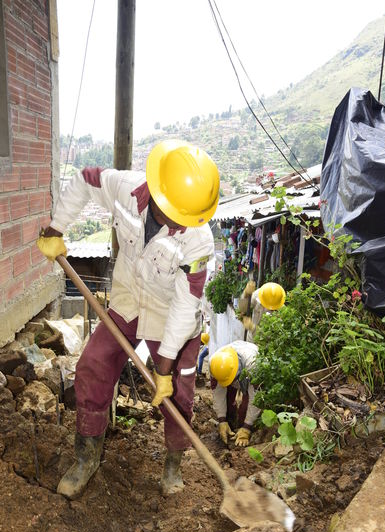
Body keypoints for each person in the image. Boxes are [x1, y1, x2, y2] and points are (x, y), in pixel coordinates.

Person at [37, 139, 220, 499]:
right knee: (93, 365)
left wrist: (164, 368)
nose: (180, 223)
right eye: (174, 214)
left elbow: (185, 308)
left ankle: (172, 464)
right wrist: (57, 230)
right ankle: (87, 457)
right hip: (128, 298)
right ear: (155, 190)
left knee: (179, 395)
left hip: (172, 317)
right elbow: (84, 180)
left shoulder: (198, 241)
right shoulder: (125, 188)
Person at [209, 340, 260, 447]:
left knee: (245, 410)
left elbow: (256, 398)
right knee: (227, 405)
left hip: (248, 372)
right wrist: (221, 420)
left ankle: (244, 429)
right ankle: (230, 424)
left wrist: (247, 427)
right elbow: (218, 393)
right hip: (229, 371)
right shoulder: (214, 365)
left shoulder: (253, 365)